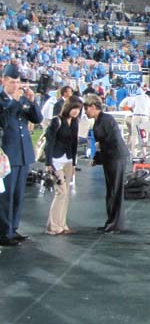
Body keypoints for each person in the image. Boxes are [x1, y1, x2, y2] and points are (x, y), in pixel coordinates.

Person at [0, 63, 43, 246]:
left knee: (18, 194)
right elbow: (3, 120)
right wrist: (15, 102)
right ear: (3, 81)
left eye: (18, 81)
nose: (16, 85)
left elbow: (38, 119)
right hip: (8, 154)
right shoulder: (3, 100)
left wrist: (32, 102)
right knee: (6, 196)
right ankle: (3, 232)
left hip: (23, 154)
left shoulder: (23, 99)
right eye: (12, 81)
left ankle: (13, 228)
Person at [84, 94, 128, 234]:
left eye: (86, 108)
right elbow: (100, 144)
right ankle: (111, 221)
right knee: (111, 191)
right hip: (110, 158)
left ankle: (116, 224)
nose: (85, 112)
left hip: (116, 157)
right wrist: (97, 158)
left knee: (115, 190)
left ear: (93, 107)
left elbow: (111, 141)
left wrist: (99, 157)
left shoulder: (106, 119)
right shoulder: (98, 121)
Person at [44, 97, 82, 235]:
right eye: (74, 108)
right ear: (68, 107)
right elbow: (50, 142)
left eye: (78, 109)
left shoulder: (75, 123)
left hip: (68, 160)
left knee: (65, 196)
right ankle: (54, 226)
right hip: (56, 160)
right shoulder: (56, 121)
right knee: (61, 193)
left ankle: (61, 223)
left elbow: (74, 144)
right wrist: (48, 163)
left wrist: (74, 164)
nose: (76, 111)